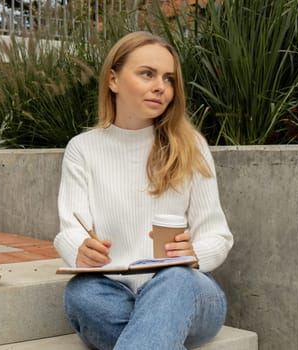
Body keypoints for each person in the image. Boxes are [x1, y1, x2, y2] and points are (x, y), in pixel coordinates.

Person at [53, 31, 233, 350]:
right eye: (147, 74)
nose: (160, 87)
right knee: (81, 294)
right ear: (113, 80)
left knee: (174, 280)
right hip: (113, 293)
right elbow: (70, 229)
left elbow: (218, 236)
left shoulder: (191, 147)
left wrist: (194, 255)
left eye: (169, 78)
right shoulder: (82, 149)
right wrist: (80, 248)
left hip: (188, 293)